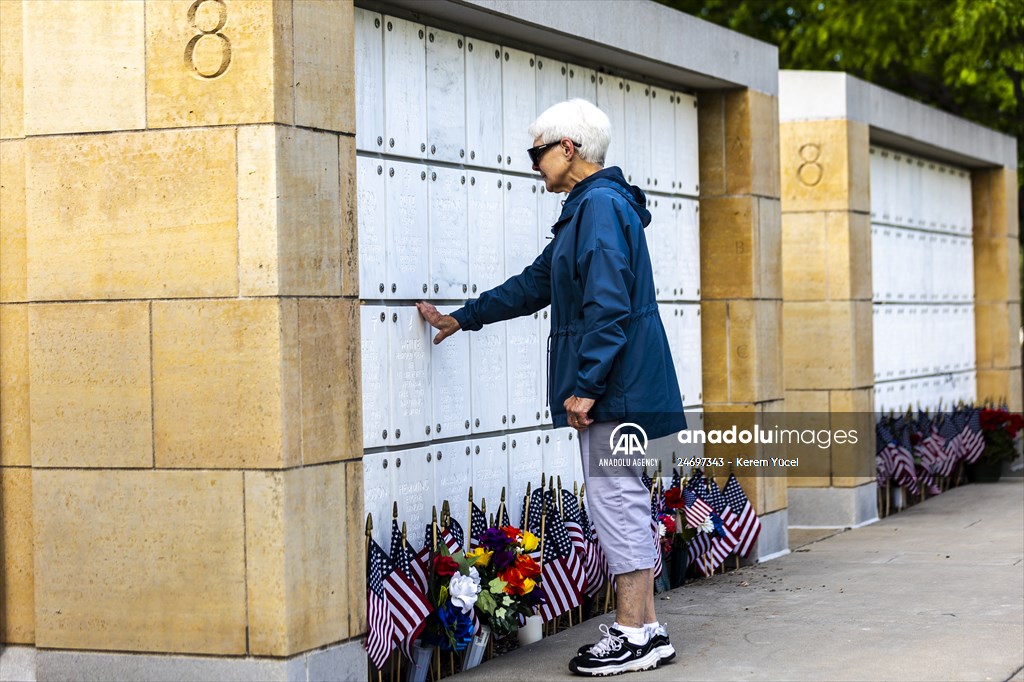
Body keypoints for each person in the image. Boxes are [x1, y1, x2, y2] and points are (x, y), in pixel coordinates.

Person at [416, 98, 686, 676]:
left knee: (617, 504)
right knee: (626, 504)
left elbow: (609, 303)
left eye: (537, 152)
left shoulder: (599, 208)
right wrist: (464, 316)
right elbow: (538, 282)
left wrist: (586, 384)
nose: (533, 164)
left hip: (618, 394)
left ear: (569, 148)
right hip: (626, 389)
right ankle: (649, 628)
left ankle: (635, 633)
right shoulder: (591, 209)